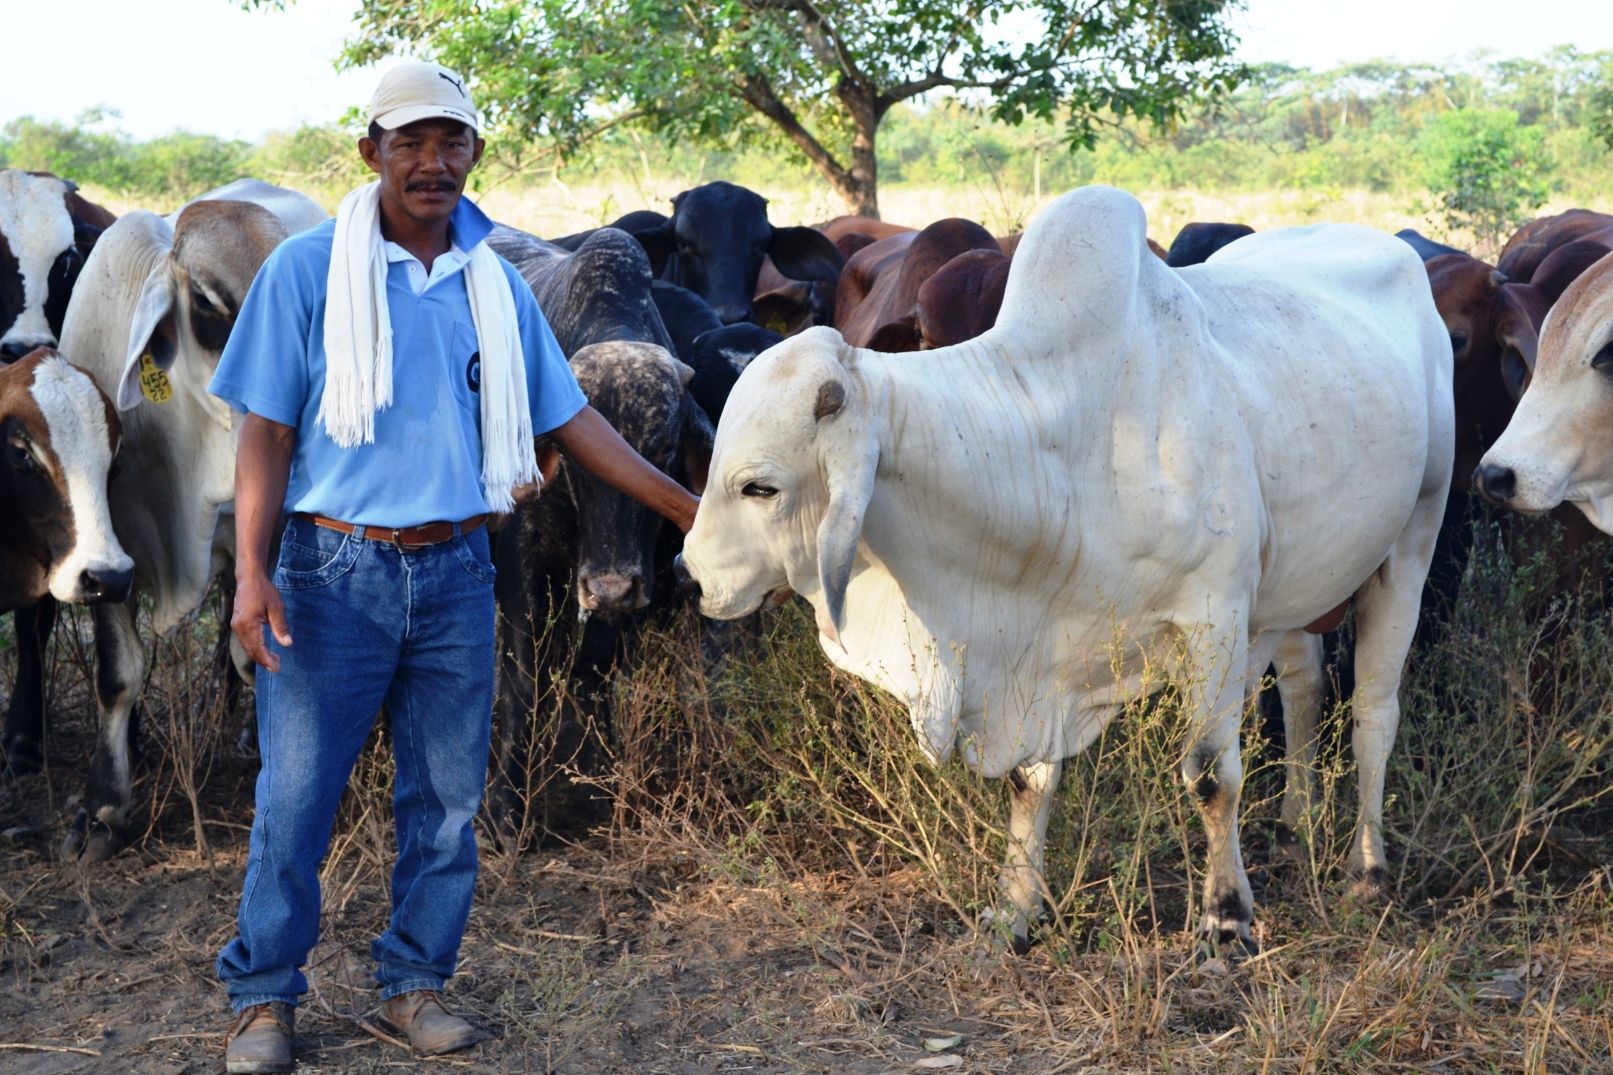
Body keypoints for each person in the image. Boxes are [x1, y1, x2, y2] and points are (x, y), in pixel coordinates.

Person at [210, 61, 699, 1073]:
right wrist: (251, 575)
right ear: (371, 152)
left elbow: (572, 420)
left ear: (476, 152)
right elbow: (264, 433)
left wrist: (687, 507)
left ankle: (414, 983)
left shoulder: (495, 283)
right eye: (411, 143)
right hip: (331, 569)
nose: (433, 163)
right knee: (296, 800)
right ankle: (262, 998)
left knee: (444, 806)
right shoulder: (306, 270)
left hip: (457, 571)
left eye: (452, 142)